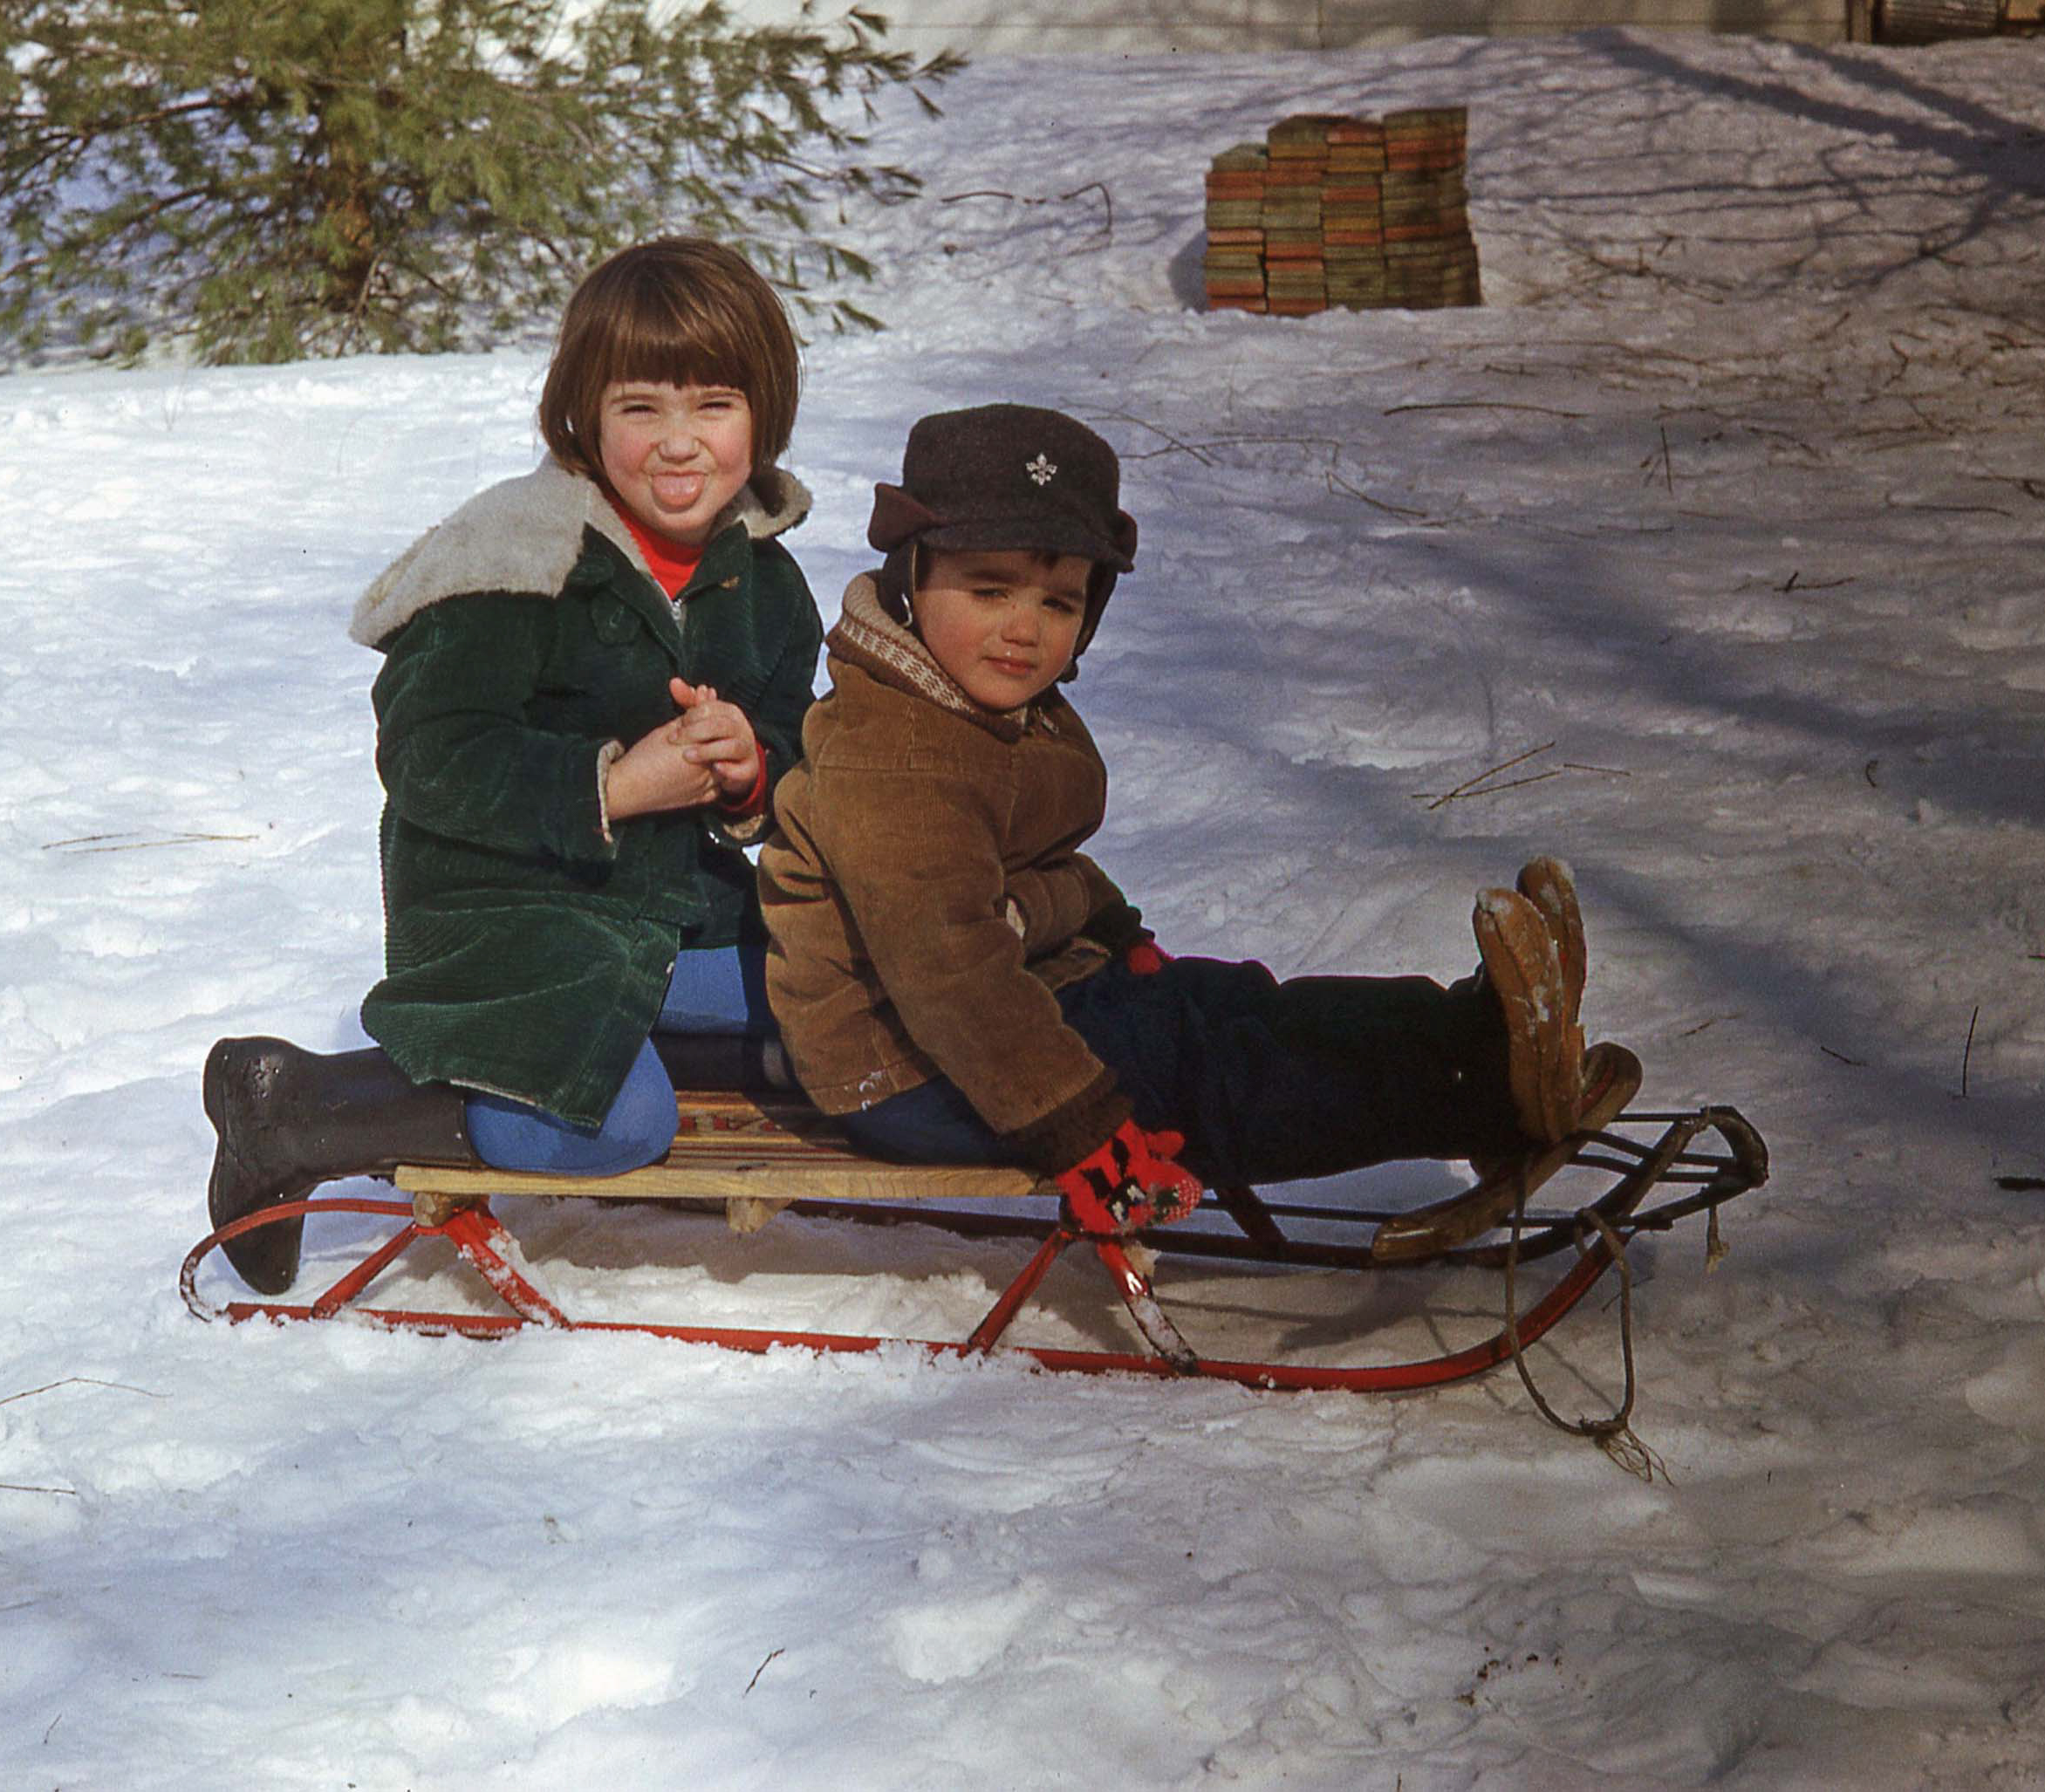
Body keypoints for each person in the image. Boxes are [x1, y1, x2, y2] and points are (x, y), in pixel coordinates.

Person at [756, 404, 1637, 1236]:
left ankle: (1478, 1034)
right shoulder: (896, 758)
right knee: (1206, 1068)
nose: (1024, 629)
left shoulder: (981, 699)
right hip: (911, 1066)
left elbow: (1033, 858)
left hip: (1021, 997)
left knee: (1234, 1003)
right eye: (990, 591)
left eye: (1059, 602)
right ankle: (1474, 1093)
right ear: (911, 580)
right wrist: (1078, 1128)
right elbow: (953, 978)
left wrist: (1112, 929)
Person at [203, 237, 822, 1294]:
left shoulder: (764, 580)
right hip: (508, 916)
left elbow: (795, 736)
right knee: (614, 1127)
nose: (680, 443)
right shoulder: (516, 554)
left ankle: (634, 1049)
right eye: (640, 408)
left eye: (713, 405)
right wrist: (611, 787)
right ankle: (293, 1108)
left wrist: (750, 766)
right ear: (582, 413)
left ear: (763, 412)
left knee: (825, 991)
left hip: (666, 915)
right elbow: (429, 754)